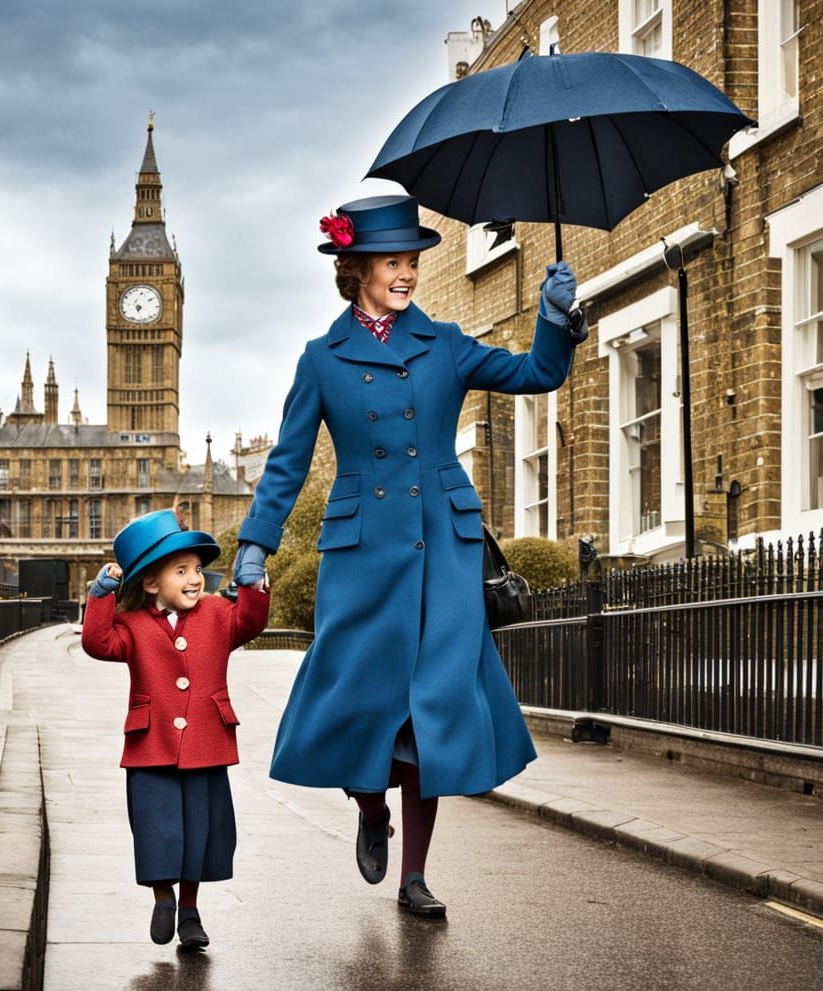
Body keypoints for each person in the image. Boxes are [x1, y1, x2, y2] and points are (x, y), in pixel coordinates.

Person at [234, 194, 580, 918]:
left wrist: (554, 320)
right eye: (394, 262)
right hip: (363, 556)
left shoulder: (446, 343)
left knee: (433, 711)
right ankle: (369, 806)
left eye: (414, 263)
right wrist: (255, 547)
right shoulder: (322, 360)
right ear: (357, 268)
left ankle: (414, 876)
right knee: (357, 698)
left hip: (443, 553)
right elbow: (288, 464)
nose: (408, 274)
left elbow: (534, 376)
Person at [82, 508, 269, 948]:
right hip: (151, 745)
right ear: (151, 582)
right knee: (157, 830)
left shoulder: (219, 615)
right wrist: (101, 594)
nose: (195, 578)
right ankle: (163, 899)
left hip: (205, 742)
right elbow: (96, 642)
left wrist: (254, 584)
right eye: (181, 570)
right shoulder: (130, 626)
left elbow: (251, 620)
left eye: (197, 569)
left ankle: (190, 910)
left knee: (198, 834)